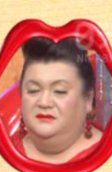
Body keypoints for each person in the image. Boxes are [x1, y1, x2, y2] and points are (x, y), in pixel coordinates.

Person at [16, 36, 102, 164]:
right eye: (33, 90)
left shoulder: (110, 156)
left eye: (59, 91)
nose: (44, 102)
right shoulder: (3, 150)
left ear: (88, 99)